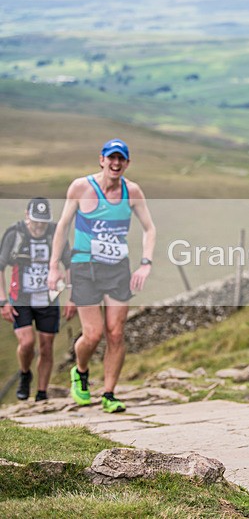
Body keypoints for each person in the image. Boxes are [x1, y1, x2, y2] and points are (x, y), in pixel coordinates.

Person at [48, 138, 156, 413]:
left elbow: (149, 228)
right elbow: (62, 227)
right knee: (93, 334)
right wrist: (54, 266)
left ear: (127, 163)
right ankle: (81, 370)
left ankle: (109, 394)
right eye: (111, 158)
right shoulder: (81, 187)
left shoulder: (132, 191)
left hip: (117, 268)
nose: (116, 163)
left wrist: (145, 263)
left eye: (121, 159)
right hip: (84, 267)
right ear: (102, 160)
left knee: (116, 333)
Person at [0, 198, 75, 402]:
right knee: (27, 343)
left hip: (48, 299)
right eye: (36, 220)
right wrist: (3, 301)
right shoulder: (14, 234)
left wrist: (72, 297)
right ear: (27, 216)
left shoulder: (56, 234)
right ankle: (25, 373)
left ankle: (42, 393)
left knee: (46, 346)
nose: (40, 225)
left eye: (43, 221)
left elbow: (70, 265)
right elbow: (1, 267)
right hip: (21, 297)